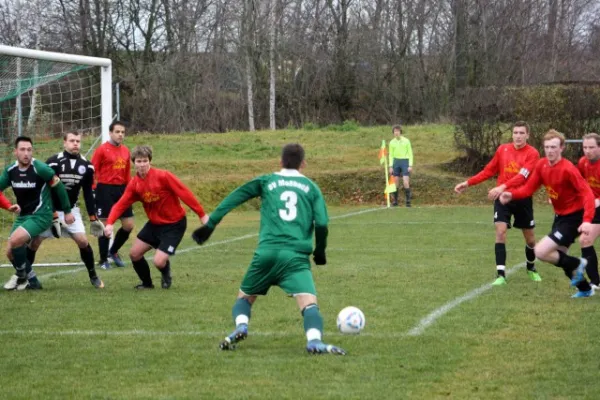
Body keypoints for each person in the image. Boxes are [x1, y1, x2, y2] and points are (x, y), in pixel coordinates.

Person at [191, 143, 346, 355]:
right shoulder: (311, 188)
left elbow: (235, 197)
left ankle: (241, 325)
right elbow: (321, 224)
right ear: (303, 164)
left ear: (280, 162)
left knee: (244, 297)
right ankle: (314, 341)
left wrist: (210, 225)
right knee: (309, 303)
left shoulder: (267, 181)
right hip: (295, 256)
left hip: (266, 253)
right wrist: (319, 252)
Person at [499, 129, 595, 298]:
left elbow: (587, 193)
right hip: (560, 216)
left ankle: (579, 263)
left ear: (562, 148)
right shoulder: (542, 165)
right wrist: (511, 194)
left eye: (554, 147)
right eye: (547, 147)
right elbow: (529, 188)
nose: (550, 151)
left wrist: (587, 220)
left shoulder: (568, 169)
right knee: (560, 256)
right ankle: (585, 288)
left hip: (574, 217)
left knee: (541, 251)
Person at [103, 145, 208, 289]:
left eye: (145, 161)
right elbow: (120, 205)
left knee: (158, 262)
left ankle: (165, 272)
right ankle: (147, 284)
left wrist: (201, 214)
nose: (142, 164)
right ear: (134, 163)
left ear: (150, 161)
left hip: (174, 224)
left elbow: (184, 193)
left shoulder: (163, 176)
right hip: (154, 224)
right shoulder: (134, 184)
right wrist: (109, 223)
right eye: (139, 161)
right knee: (134, 254)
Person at [454, 121, 541, 285]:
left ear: (528, 135)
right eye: (515, 132)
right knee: (500, 231)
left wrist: (502, 186)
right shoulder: (503, 149)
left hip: (522, 198)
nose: (518, 136)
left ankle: (531, 267)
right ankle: (501, 274)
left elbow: (523, 176)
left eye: (522, 133)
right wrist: (468, 183)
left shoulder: (533, 153)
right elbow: (488, 170)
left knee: (530, 240)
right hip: (502, 200)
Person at [23, 132, 106, 289]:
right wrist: (53, 213)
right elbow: (45, 190)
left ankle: (93, 275)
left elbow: (87, 193)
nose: (75, 144)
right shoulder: (53, 162)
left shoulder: (87, 166)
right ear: (64, 143)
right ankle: (26, 277)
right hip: (48, 209)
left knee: (83, 241)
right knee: (35, 242)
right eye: (72, 141)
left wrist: (93, 217)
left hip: (71, 211)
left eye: (78, 141)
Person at [0, 136, 73, 290]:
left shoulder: (40, 168)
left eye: (29, 150)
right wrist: (8, 206)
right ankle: (33, 282)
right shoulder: (10, 171)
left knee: (14, 241)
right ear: (15, 152)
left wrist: (66, 211)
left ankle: (20, 276)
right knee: (10, 252)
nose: (26, 153)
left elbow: (59, 187)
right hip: (23, 216)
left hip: (42, 215)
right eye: (22, 149)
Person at [91, 121, 134, 269]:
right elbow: (93, 170)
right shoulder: (102, 150)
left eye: (122, 132)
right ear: (110, 133)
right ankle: (103, 260)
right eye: (117, 132)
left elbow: (127, 173)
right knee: (105, 225)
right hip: (105, 189)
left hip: (122, 190)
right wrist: (93, 189)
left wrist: (130, 190)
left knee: (128, 225)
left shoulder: (126, 151)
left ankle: (113, 251)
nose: (120, 134)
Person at [576, 132, 600, 288]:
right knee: (585, 240)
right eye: (585, 147)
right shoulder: (583, 162)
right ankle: (595, 282)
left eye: (591, 147)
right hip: (595, 208)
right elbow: (578, 183)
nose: (588, 150)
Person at [388, 125, 413, 207]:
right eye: (395, 131)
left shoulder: (406, 141)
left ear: (400, 132)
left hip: (405, 161)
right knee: (396, 182)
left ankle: (408, 201)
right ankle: (395, 201)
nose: (396, 133)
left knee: (405, 182)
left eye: (398, 131)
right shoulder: (391, 142)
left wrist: (410, 165)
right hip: (396, 162)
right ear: (393, 133)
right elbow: (391, 155)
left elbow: (410, 153)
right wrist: (391, 166)